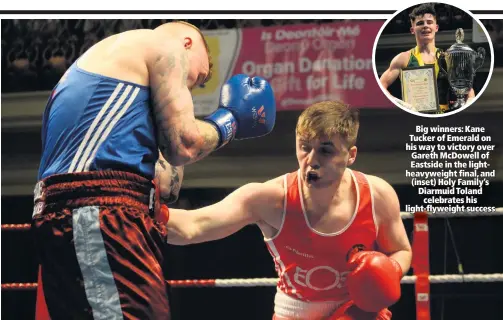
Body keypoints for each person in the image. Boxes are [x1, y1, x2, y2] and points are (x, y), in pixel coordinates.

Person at [31, 20, 276, 319]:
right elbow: (185, 144)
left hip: (91, 213)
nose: (189, 89)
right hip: (101, 213)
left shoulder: (113, 81)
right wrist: (231, 121)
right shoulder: (162, 45)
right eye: (196, 79)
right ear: (188, 43)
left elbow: (167, 187)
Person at [159, 101, 412, 319]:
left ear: (351, 155)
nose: (312, 159)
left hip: (358, 312)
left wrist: (388, 272)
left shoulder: (376, 195)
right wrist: (135, 209)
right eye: (304, 147)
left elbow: (400, 249)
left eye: (325, 150)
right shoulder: (272, 199)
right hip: (294, 313)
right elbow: (193, 227)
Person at [379, 3, 475, 114]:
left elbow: (469, 91)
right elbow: (381, 87)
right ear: (412, 30)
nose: (425, 26)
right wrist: (401, 104)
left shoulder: (448, 58)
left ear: (436, 27)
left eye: (429, 22)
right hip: (415, 117)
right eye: (420, 23)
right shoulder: (403, 59)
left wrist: (466, 107)